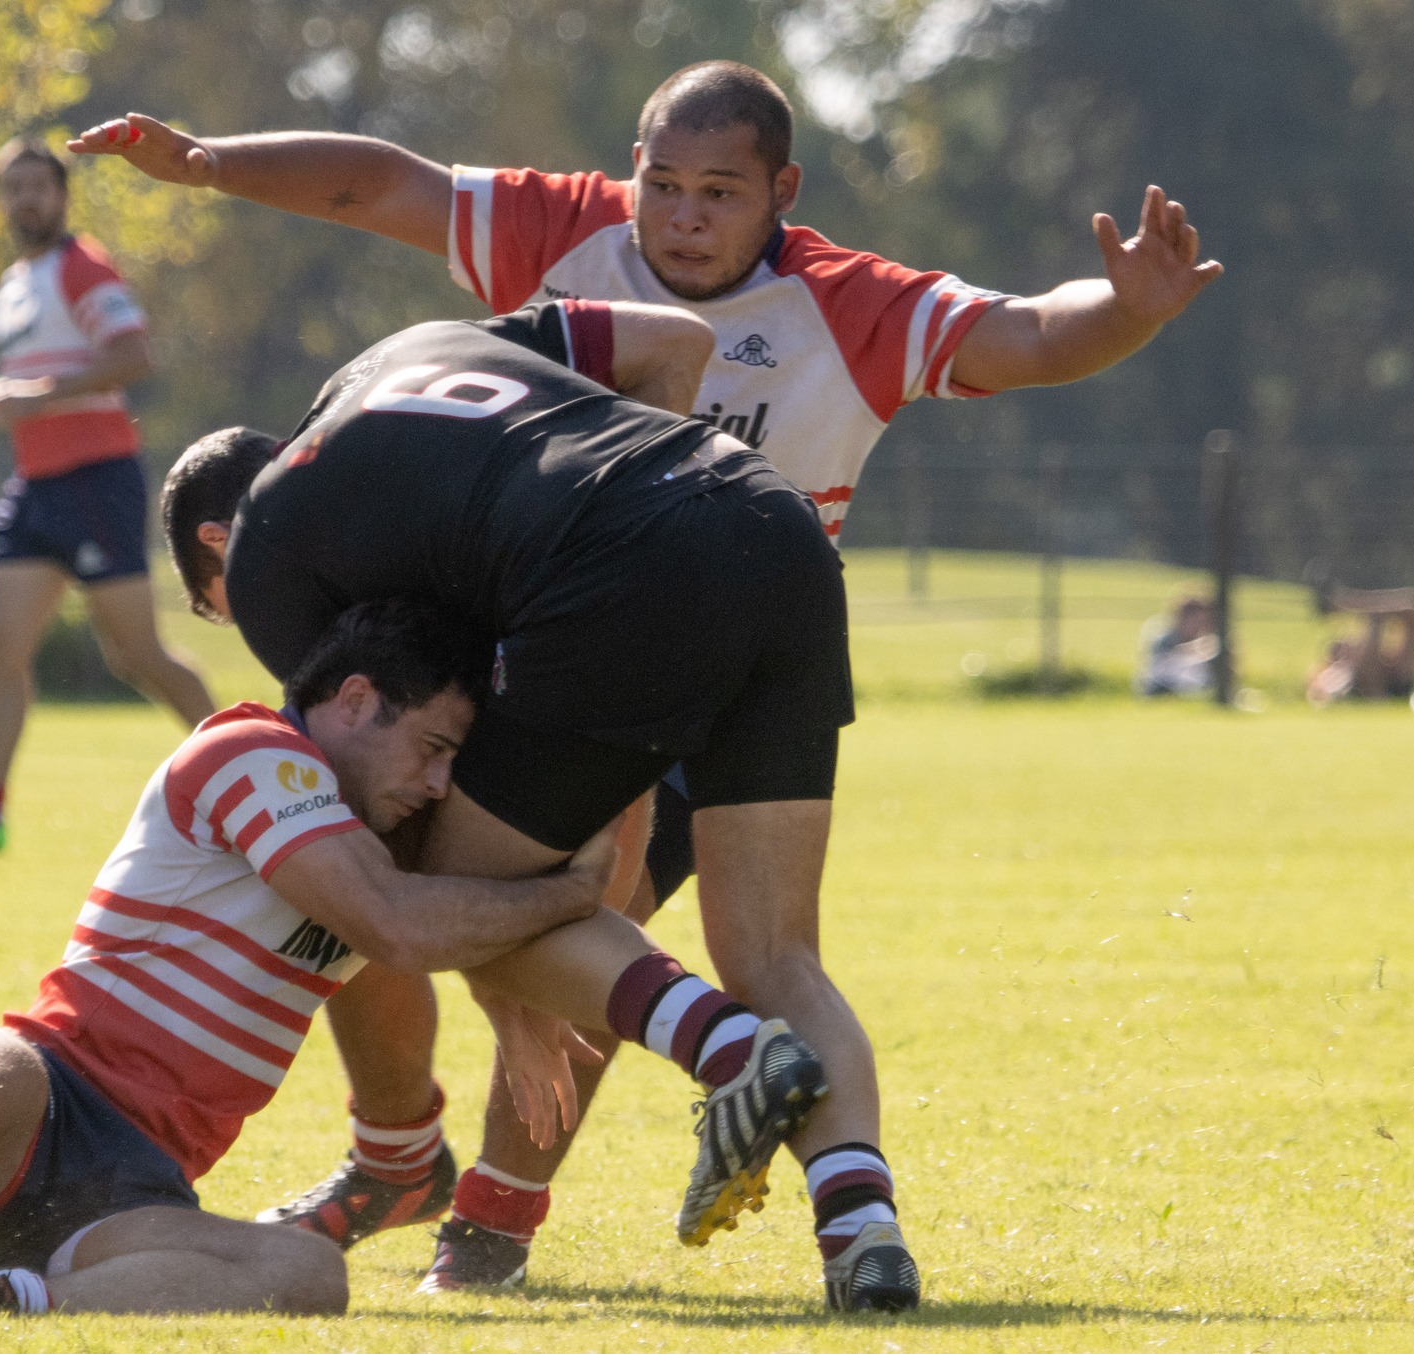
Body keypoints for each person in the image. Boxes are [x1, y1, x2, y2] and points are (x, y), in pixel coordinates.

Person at [78, 59, 1223, 1304]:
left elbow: (1027, 333)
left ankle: (506, 1169)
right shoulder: (540, 262)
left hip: (632, 605)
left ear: (781, 192)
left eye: (717, 193)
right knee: (756, 952)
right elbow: (382, 187)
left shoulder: (842, 301)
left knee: (472, 897)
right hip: (765, 566)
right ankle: (859, 1231)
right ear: (629, 172)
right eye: (661, 186)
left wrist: (1126, 314)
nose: (680, 217)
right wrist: (209, 166)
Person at [0, 599, 827, 1318]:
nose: (438, 781)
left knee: (309, 1273)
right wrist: (565, 893)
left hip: (134, 1195)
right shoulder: (249, 753)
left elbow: (451, 935)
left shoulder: (383, 836)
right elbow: (399, 926)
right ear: (354, 701)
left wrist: (516, 995)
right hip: (43, 1093)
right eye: (431, 747)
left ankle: (2, 1303)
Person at [161, 297, 922, 1309]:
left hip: (628, 562)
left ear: (218, 547)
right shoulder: (412, 344)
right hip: (769, 520)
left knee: (431, 895)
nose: (241, 626)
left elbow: (397, 798)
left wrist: (507, 984)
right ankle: (863, 1230)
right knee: (777, 956)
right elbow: (673, 343)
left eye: (215, 608)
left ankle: (733, 1051)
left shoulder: (269, 549)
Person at [0, 138, 214, 852]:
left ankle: (251, 773)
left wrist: (37, 396)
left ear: (63, 196)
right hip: (35, 484)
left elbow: (132, 355)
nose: (26, 200)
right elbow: (33, 383)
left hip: (97, 479)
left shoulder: (82, 266)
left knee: (138, 655)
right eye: (13, 188)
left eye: (37, 186)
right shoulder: (15, 283)